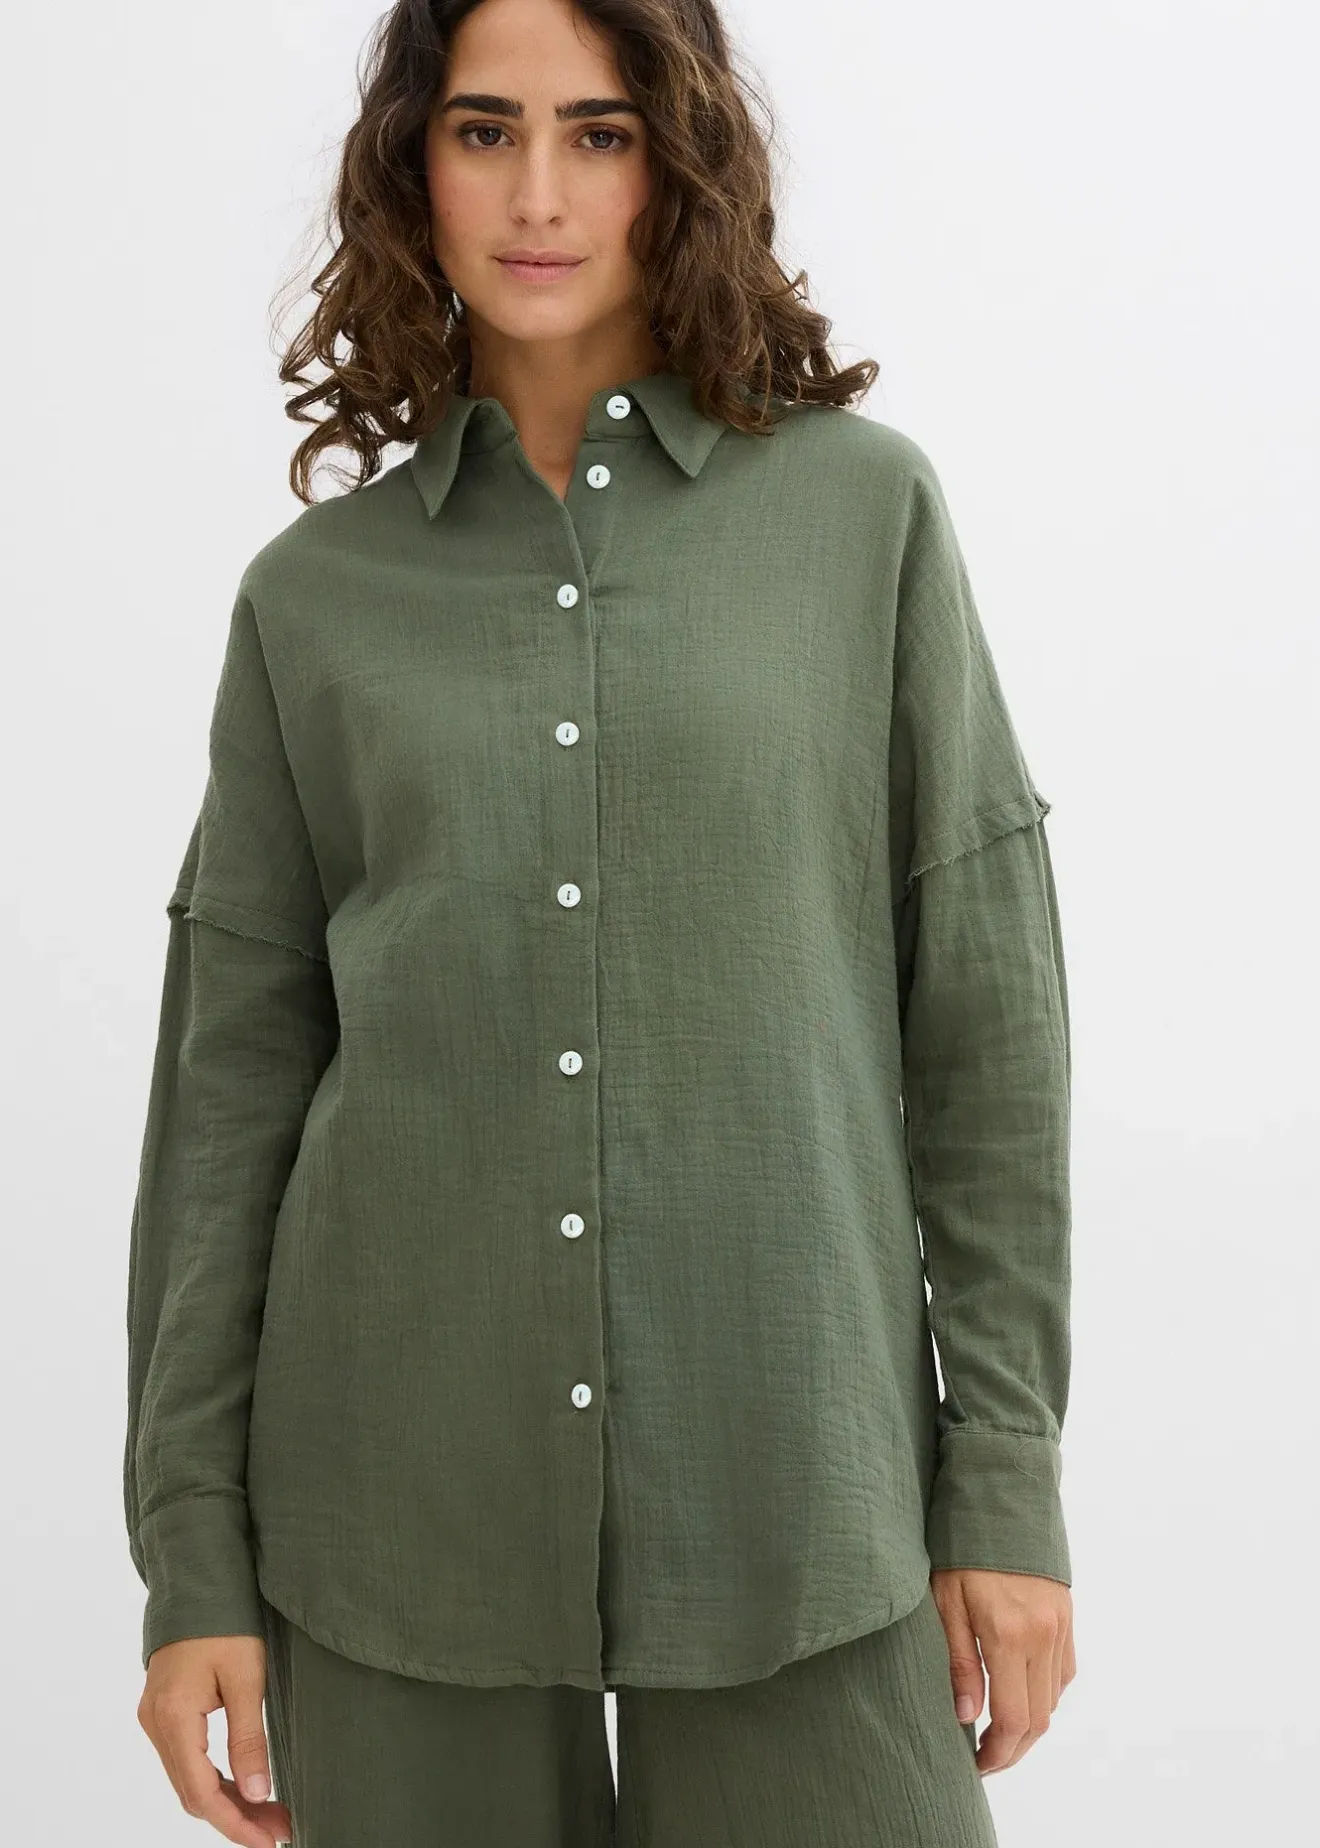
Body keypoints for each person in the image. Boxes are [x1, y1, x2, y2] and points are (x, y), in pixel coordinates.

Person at [123, 0, 1077, 1841]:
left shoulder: (863, 517)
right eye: (485, 131)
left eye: (602, 133)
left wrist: (1006, 1489)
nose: (539, 195)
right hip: (393, 1503)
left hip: (800, 1489)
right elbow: (228, 1100)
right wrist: (194, 1565)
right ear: (413, 164)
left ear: (680, 161)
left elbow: (988, 1027)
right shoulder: (312, 600)